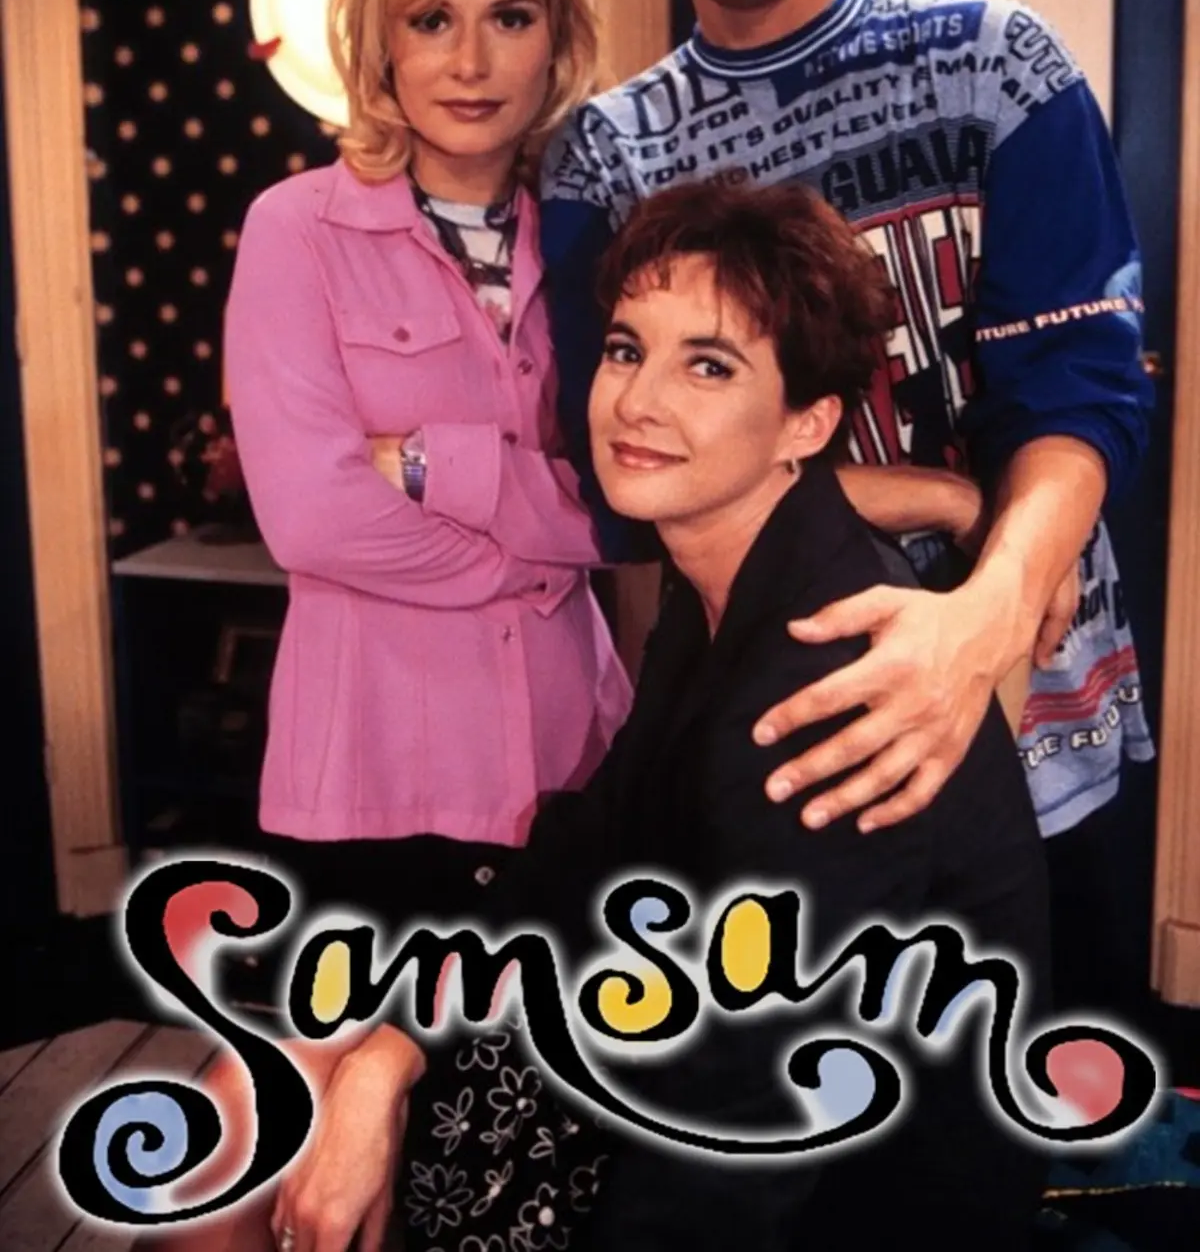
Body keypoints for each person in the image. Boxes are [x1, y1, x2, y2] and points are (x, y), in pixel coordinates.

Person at [241, 178, 1053, 1252]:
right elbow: (586, 857)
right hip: (689, 1053)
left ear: (807, 423)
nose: (637, 402)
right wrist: (390, 1056)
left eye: (708, 366)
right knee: (260, 1113)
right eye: (628, 350)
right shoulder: (722, 589)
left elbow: (744, 1139)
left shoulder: (827, 676)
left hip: (860, 1199)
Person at [539, 0, 1154, 848]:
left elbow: (1081, 388)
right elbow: (622, 467)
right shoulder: (607, 156)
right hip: (783, 722)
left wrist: (986, 612)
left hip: (1026, 688)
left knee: (1052, 972)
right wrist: (939, 494)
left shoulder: (997, 67)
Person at [224, 0, 633, 949]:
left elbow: (633, 500)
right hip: (378, 775)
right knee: (376, 1054)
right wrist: (537, 557)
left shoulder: (596, 238)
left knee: (561, 1052)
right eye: (432, 19)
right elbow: (313, 519)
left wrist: (427, 463)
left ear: (557, 41)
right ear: (381, 44)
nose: (470, 62)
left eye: (511, 17)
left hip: (574, 749)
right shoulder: (294, 229)